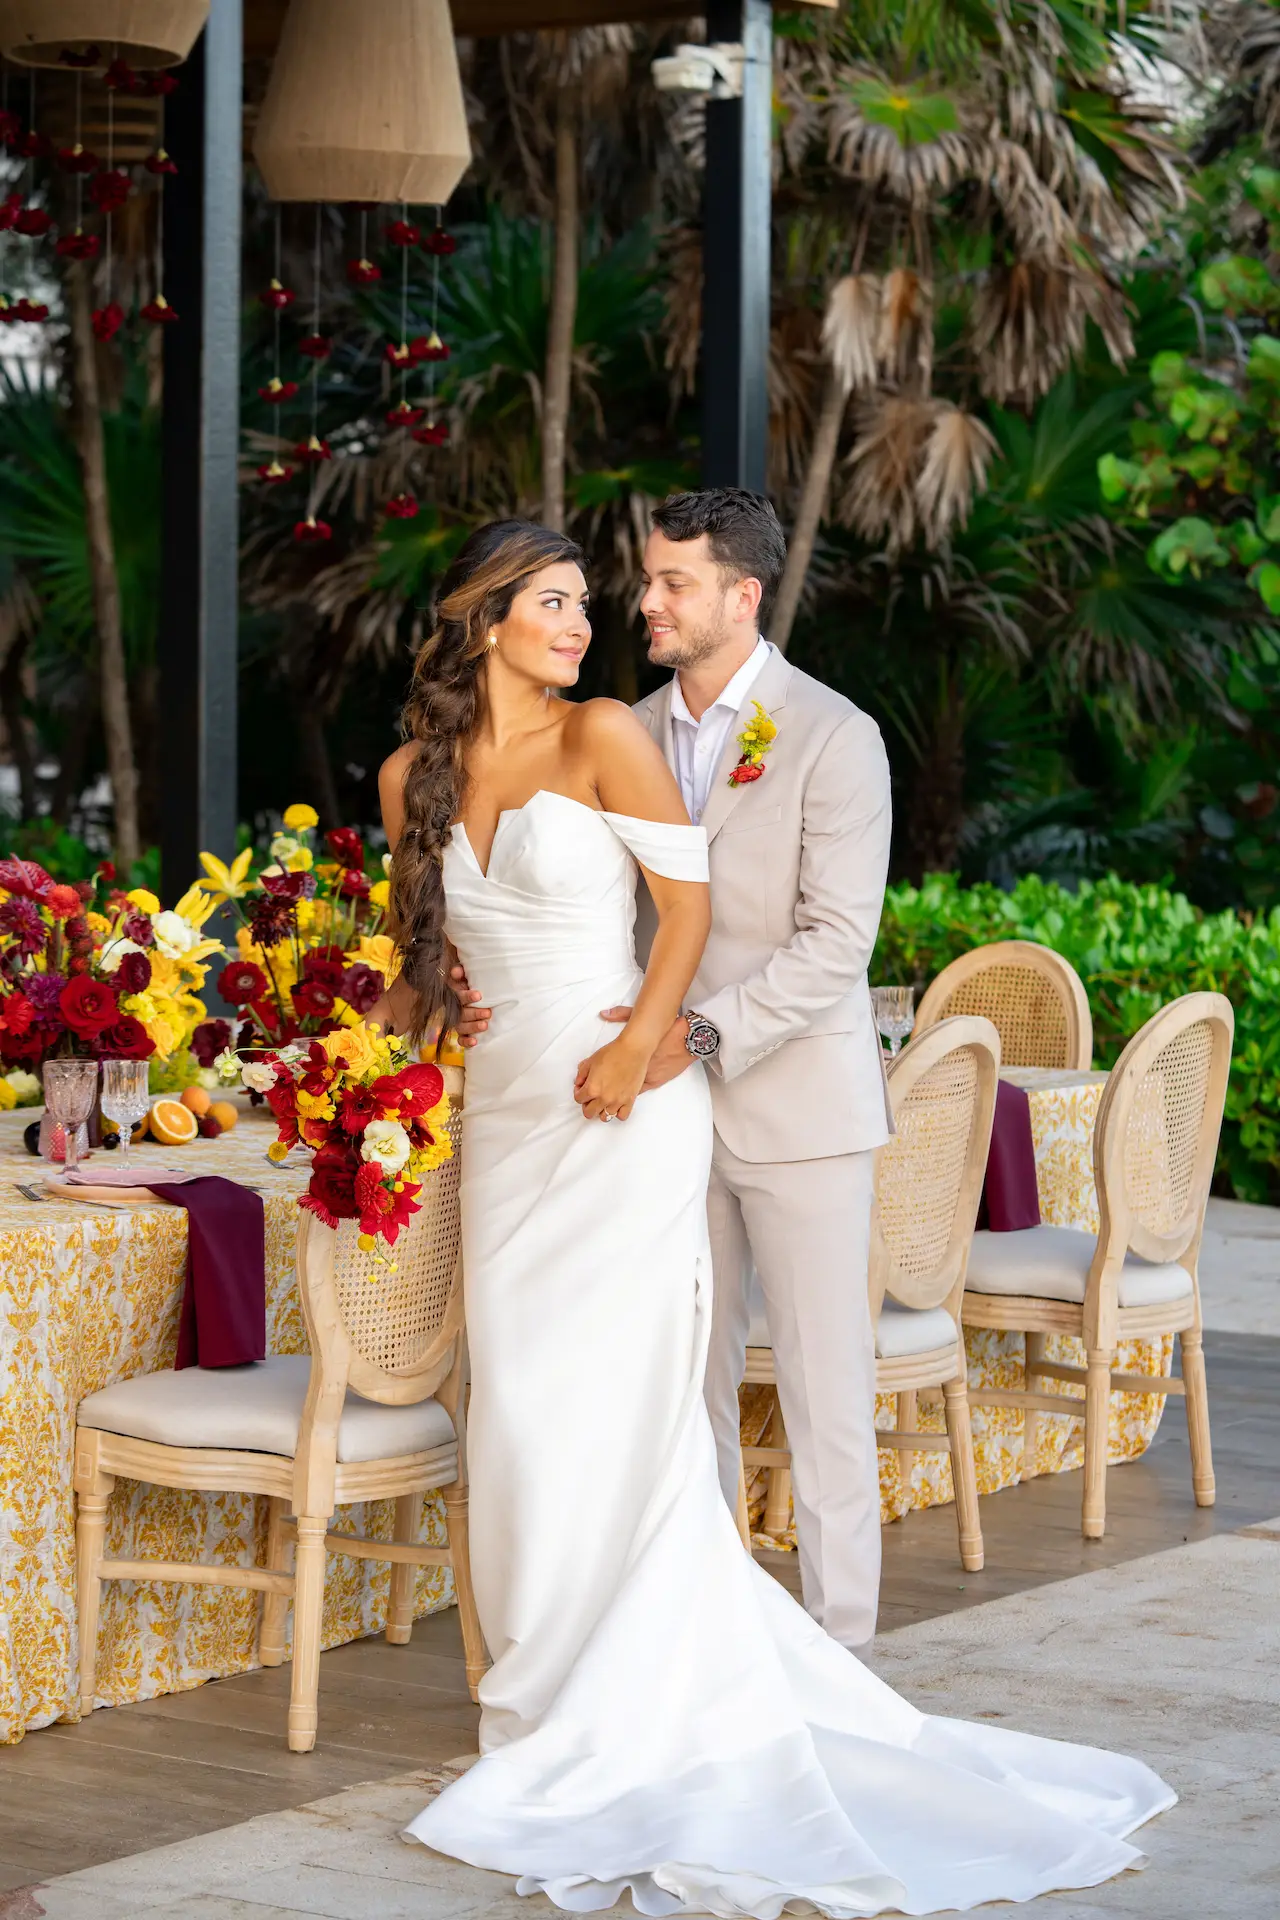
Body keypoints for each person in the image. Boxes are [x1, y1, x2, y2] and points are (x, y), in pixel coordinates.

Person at [375, 517, 1173, 1917]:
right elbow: (423, 961)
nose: (595, 618)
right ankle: (544, 1687)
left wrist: (649, 1044)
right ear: (484, 617)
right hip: (507, 1117)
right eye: (559, 602)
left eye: (608, 595)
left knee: (706, 1394)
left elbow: (720, 924)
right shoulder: (413, 778)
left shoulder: (642, 733)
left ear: (734, 594)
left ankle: (739, 1675)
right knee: (518, 1400)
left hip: (641, 1101)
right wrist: (360, 1056)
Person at [454, 488, 891, 1655]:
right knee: (676, 1384)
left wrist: (678, 1041)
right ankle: (710, 1636)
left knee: (821, 1390)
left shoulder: (834, 736)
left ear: (740, 598)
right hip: (641, 1124)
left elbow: (834, 948)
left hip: (792, 1108)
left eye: (671, 583)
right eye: (642, 581)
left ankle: (838, 1650)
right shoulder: (620, 729)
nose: (643, 602)